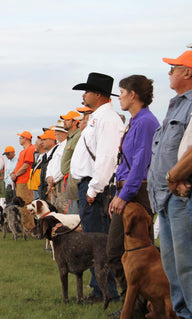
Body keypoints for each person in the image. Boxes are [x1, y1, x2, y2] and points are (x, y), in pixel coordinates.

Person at [102, 75, 159, 317]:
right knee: (122, 252)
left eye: (122, 92)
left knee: (126, 252)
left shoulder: (145, 122)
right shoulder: (136, 121)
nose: (120, 97)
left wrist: (124, 195)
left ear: (133, 95)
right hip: (128, 189)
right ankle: (138, 305)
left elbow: (141, 163)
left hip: (137, 192)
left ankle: (137, 307)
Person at [71, 72, 124, 303]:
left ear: (99, 94)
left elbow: (106, 157)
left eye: (87, 91)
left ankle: (106, 290)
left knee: (99, 241)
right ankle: (100, 288)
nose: (84, 95)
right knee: (95, 241)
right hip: (90, 185)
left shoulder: (107, 119)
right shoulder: (98, 117)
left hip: (96, 188)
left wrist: (94, 189)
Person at [148, 50, 192, 319]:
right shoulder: (176, 104)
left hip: (180, 195)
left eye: (174, 68)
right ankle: (182, 312)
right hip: (165, 196)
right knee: (172, 265)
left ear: (188, 72)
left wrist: (174, 176)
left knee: (187, 265)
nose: (169, 72)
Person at [11, 131, 35, 230]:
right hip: (19, 181)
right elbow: (20, 166)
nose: (19, 140)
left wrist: (16, 175)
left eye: (20, 138)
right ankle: (25, 228)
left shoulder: (31, 149)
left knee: (26, 205)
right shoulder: (22, 151)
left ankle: (30, 229)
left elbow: (26, 166)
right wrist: (13, 173)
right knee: (21, 207)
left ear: (25, 139)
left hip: (25, 181)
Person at [60, 111, 82, 214]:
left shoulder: (78, 136)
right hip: (69, 179)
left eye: (67, 120)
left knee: (75, 212)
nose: (64, 122)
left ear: (75, 122)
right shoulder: (70, 137)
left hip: (75, 179)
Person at [46, 121, 69, 213]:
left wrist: (53, 179)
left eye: (58, 132)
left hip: (60, 181)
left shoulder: (67, 145)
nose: (56, 134)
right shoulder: (58, 147)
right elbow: (51, 164)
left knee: (63, 207)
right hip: (53, 182)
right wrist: (48, 177)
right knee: (55, 207)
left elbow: (64, 166)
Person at [38, 130, 58, 201]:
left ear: (52, 140)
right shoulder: (45, 156)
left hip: (53, 190)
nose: (42, 142)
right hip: (45, 191)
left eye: (44, 139)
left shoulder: (56, 153)